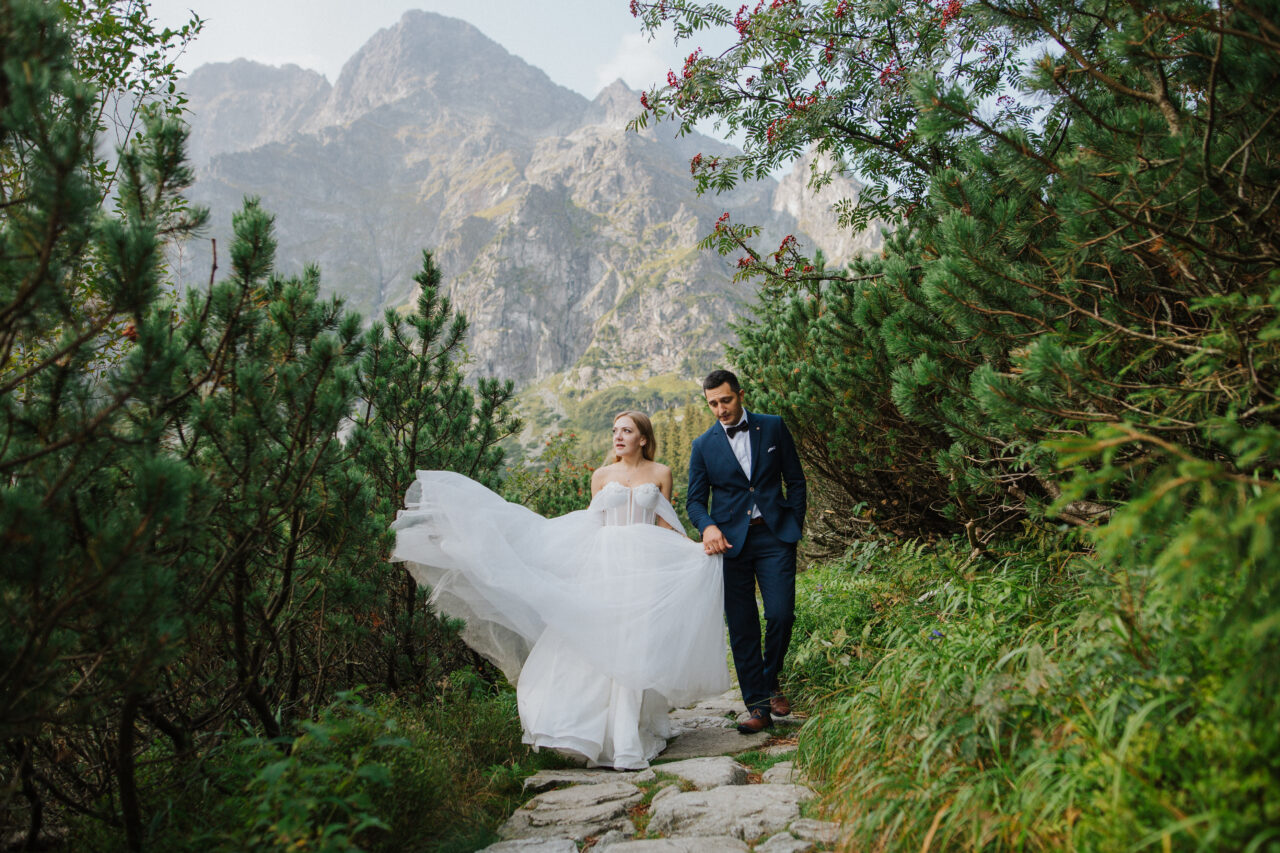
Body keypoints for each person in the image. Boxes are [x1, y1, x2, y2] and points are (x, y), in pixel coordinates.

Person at [391, 411, 729, 769]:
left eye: (627, 431)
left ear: (643, 438)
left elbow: (664, 526)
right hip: (604, 567)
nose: (618, 436)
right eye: (615, 430)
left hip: (642, 568)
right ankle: (584, 729)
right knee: (596, 642)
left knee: (634, 644)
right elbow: (592, 523)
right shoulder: (602, 476)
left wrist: (695, 549)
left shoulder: (660, 473)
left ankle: (627, 735)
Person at [687, 369, 807, 734]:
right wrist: (708, 527)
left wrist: (793, 525)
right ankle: (758, 707)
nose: (720, 409)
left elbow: (795, 479)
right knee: (742, 626)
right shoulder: (703, 445)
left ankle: (770, 680)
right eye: (713, 404)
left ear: (740, 395)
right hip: (729, 544)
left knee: (781, 614)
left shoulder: (772, 426)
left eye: (725, 400)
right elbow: (695, 501)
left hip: (775, 535)